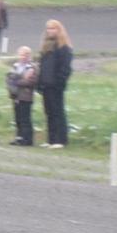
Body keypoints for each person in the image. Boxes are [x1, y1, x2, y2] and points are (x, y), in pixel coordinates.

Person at [36, 19, 73, 149]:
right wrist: (39, 82)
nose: (50, 31)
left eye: (53, 29)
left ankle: (60, 140)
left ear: (59, 30)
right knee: (49, 112)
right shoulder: (46, 46)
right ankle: (51, 139)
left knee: (58, 112)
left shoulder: (64, 48)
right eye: (48, 29)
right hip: (46, 85)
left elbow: (66, 69)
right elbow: (41, 65)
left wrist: (59, 82)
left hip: (56, 85)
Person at [5, 45, 37, 146]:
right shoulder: (15, 66)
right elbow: (9, 78)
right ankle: (19, 137)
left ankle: (28, 139)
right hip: (15, 96)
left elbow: (31, 81)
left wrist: (17, 81)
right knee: (17, 118)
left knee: (25, 119)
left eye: (26, 55)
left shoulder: (32, 67)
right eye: (21, 54)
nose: (23, 57)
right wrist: (19, 80)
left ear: (29, 56)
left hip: (26, 96)